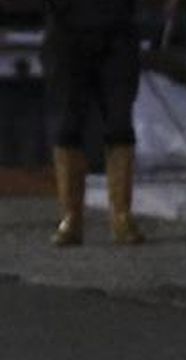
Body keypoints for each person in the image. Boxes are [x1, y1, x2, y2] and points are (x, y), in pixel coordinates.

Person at [43, 0, 146, 246]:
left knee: (119, 120)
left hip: (117, 29)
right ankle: (71, 217)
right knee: (67, 124)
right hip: (66, 28)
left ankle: (121, 215)